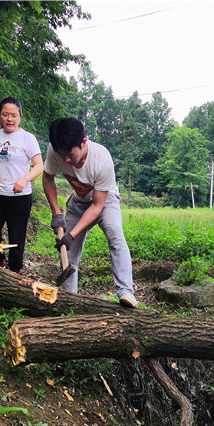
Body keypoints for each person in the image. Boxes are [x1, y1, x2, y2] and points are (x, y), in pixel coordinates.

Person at [42, 117, 137, 307]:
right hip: (79, 199)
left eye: (70, 154)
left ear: (83, 142)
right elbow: (48, 177)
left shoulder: (102, 159)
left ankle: (126, 292)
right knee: (68, 249)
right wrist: (56, 213)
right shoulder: (55, 149)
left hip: (105, 199)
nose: (66, 160)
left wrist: (72, 233)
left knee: (114, 232)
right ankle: (70, 299)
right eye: (62, 156)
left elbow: (96, 206)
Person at [0, 97, 43, 274]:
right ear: (0, 116)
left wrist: (24, 180)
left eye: (13, 115)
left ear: (20, 116)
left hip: (19, 197)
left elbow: (39, 166)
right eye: (5, 115)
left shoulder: (27, 138)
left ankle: (15, 272)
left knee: (16, 235)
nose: (9, 119)